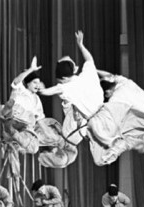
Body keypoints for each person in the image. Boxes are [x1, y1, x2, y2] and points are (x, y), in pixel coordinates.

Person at [37, 30, 104, 168]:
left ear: (64, 78)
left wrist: (41, 89)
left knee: (63, 130)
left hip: (83, 122)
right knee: (68, 109)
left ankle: (37, 139)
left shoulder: (66, 87)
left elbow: (49, 91)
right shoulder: (87, 74)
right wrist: (80, 44)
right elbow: (89, 59)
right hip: (95, 115)